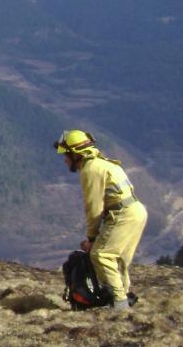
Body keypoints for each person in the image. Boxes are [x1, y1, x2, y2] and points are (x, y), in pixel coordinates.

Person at [55, 129, 148, 310]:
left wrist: (91, 238)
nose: (64, 159)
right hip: (135, 212)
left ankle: (119, 304)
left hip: (122, 215)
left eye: (65, 153)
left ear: (76, 153)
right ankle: (121, 297)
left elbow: (93, 207)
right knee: (117, 259)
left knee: (101, 255)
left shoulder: (90, 170)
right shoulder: (105, 164)